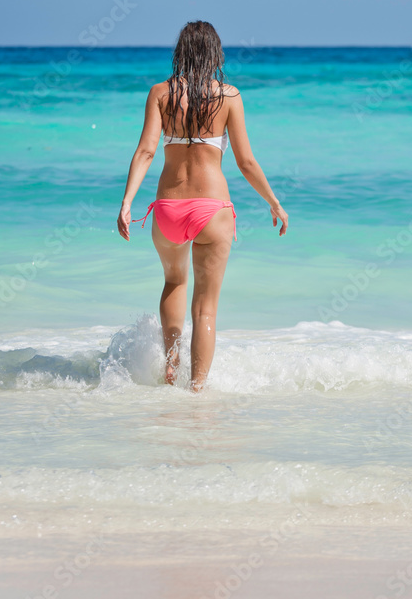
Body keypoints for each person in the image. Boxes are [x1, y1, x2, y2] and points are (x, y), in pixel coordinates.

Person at [117, 20, 288, 391]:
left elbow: (146, 150)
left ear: (181, 52)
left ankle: (171, 368)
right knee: (205, 309)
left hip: (167, 209)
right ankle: (196, 391)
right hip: (212, 210)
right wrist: (274, 202)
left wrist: (127, 202)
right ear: (215, 54)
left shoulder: (160, 93)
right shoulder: (229, 97)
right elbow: (246, 162)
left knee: (173, 282)